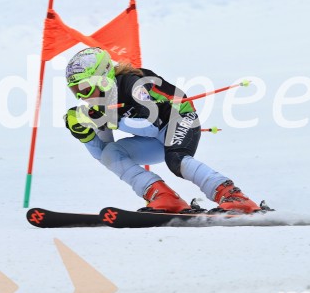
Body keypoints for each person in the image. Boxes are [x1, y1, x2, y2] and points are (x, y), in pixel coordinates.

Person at [63, 47, 261, 214]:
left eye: (85, 88)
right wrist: (85, 136)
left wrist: (111, 119)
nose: (82, 97)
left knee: (176, 160)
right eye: (75, 90)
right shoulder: (100, 103)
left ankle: (233, 196)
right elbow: (103, 154)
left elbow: (151, 126)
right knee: (111, 154)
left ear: (103, 78)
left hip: (180, 119)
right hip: (156, 135)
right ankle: (164, 197)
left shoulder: (134, 84)